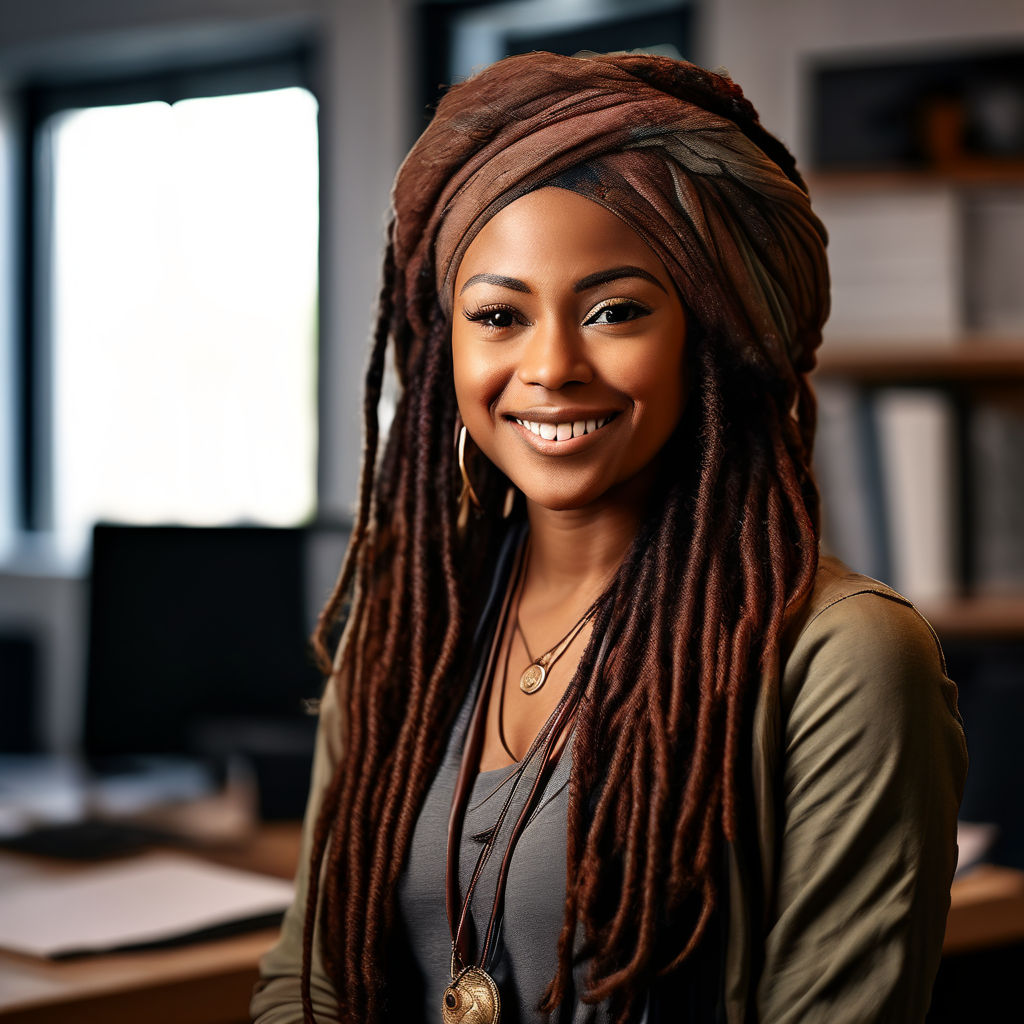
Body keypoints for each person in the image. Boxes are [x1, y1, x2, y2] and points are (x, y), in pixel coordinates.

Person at [250, 51, 967, 1024]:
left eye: (615, 311)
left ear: (714, 335)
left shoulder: (842, 657)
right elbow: (312, 982)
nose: (550, 365)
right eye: (498, 315)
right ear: (446, 348)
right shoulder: (403, 630)